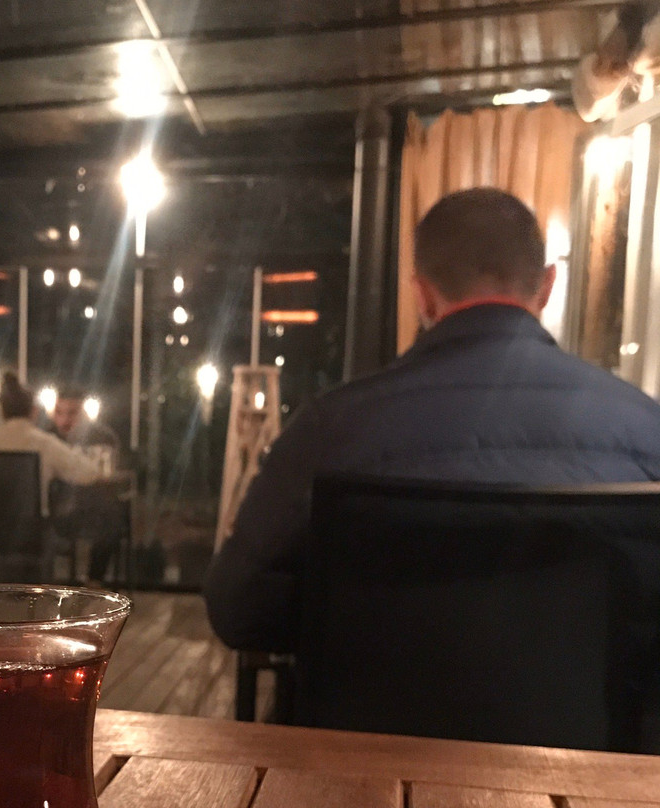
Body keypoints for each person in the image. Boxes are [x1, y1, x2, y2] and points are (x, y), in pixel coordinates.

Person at [204, 187, 660, 652]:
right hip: (583, 700)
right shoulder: (647, 430)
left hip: (372, 696)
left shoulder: (331, 429)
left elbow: (237, 608)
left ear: (422, 296)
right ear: (547, 285)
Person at [0, 372, 102, 515]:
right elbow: (88, 474)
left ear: (2, 411)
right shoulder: (43, 443)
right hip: (31, 525)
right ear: (34, 411)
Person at [49, 386, 127, 584]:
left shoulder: (103, 437)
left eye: (72, 413)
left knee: (109, 514)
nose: (64, 420)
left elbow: (107, 473)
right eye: (59, 412)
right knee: (109, 515)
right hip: (55, 509)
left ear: (84, 413)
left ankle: (94, 581)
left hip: (91, 507)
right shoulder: (48, 438)